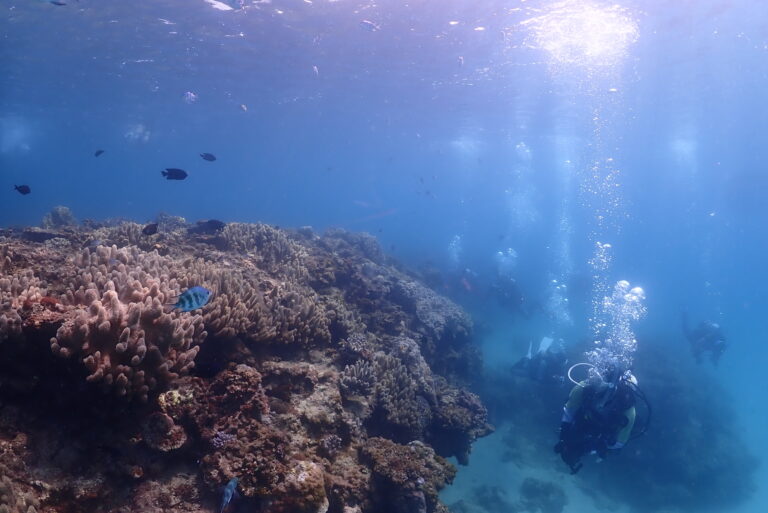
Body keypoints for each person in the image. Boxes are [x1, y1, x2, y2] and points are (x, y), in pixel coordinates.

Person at [554, 366, 637, 474]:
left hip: (608, 429)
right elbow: (569, 412)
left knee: (610, 449)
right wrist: (563, 437)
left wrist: (587, 449)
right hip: (587, 418)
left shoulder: (627, 409)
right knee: (577, 433)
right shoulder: (583, 387)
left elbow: (618, 443)